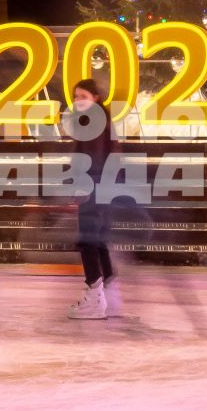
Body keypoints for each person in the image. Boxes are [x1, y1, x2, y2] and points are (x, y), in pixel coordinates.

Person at [65, 78, 120, 320]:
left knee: (87, 241)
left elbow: (93, 158)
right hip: (102, 188)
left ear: (95, 97)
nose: (78, 101)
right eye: (76, 97)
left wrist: (83, 187)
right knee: (96, 240)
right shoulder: (103, 120)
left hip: (93, 188)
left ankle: (96, 296)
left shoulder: (93, 122)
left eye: (83, 96)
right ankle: (107, 287)